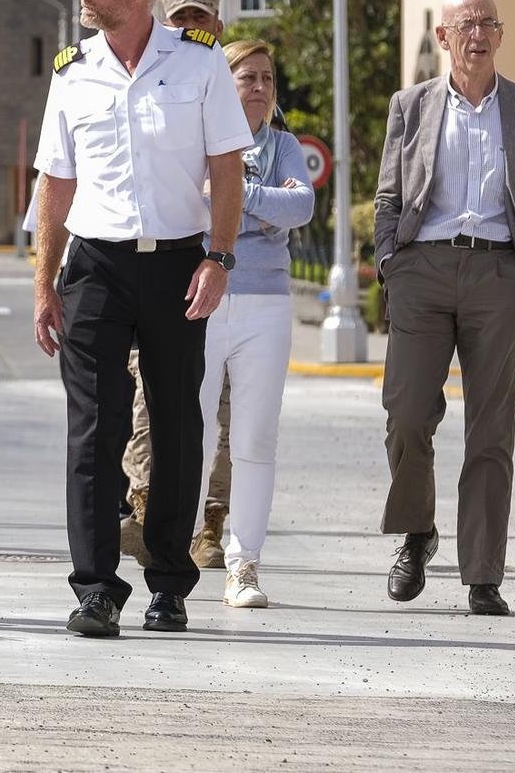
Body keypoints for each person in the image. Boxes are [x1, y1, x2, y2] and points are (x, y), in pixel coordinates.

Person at [30, 0, 250, 638]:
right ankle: (95, 587)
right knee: (92, 430)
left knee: (178, 426)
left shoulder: (200, 64)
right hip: (94, 267)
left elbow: (226, 169)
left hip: (178, 262)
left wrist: (219, 257)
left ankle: (168, 583)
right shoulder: (72, 71)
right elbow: (55, 184)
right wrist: (44, 286)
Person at [373, 0, 515, 617]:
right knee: (406, 414)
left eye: (488, 23)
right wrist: (390, 265)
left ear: (500, 36)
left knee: (490, 430)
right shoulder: (411, 106)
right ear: (443, 37)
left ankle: (483, 574)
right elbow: (387, 198)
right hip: (422, 270)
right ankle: (417, 533)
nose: (477, 34)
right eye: (466, 25)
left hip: (500, 274)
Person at [115, 0, 238, 569]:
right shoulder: (155, 77)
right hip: (170, 272)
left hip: (232, 281)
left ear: (217, 25)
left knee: (214, 415)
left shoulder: (236, 83)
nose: (193, 28)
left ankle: (209, 525)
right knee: (147, 399)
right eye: (182, 17)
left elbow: (259, 184)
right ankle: (144, 512)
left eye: (202, 19)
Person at [196, 39, 313, 609]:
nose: (261, 87)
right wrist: (264, 210)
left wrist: (234, 198)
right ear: (224, 84)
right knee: (187, 434)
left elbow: (303, 208)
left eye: (268, 78)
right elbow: (190, 209)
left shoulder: (284, 145)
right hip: (202, 298)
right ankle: (175, 553)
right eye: (248, 78)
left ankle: (244, 566)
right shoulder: (198, 140)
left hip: (266, 303)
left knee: (255, 440)